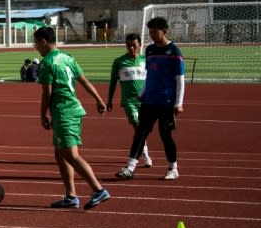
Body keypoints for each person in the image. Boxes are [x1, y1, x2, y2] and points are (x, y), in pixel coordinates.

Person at [33, 26, 111, 210]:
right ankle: (70, 196)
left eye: (36, 43)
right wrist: (99, 100)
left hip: (64, 111)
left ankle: (98, 190)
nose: (35, 47)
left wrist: (43, 114)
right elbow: (84, 81)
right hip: (74, 110)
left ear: (43, 41)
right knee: (60, 154)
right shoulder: (68, 58)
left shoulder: (47, 63)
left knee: (71, 155)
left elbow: (47, 93)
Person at [116, 17, 185, 181]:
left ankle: (172, 167)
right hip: (149, 100)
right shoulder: (150, 50)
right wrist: (143, 92)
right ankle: (130, 167)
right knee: (140, 132)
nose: (152, 35)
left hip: (166, 101)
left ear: (165, 31)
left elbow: (180, 78)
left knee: (165, 134)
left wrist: (179, 103)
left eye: (155, 32)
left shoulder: (174, 52)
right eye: (150, 32)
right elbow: (148, 75)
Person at [107, 33, 152, 168]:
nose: (131, 48)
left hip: (145, 101)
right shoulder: (119, 62)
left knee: (143, 129)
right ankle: (144, 155)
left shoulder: (146, 60)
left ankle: (141, 153)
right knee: (138, 127)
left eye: (134, 45)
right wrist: (109, 100)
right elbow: (113, 82)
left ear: (139, 45)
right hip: (129, 101)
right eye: (128, 46)